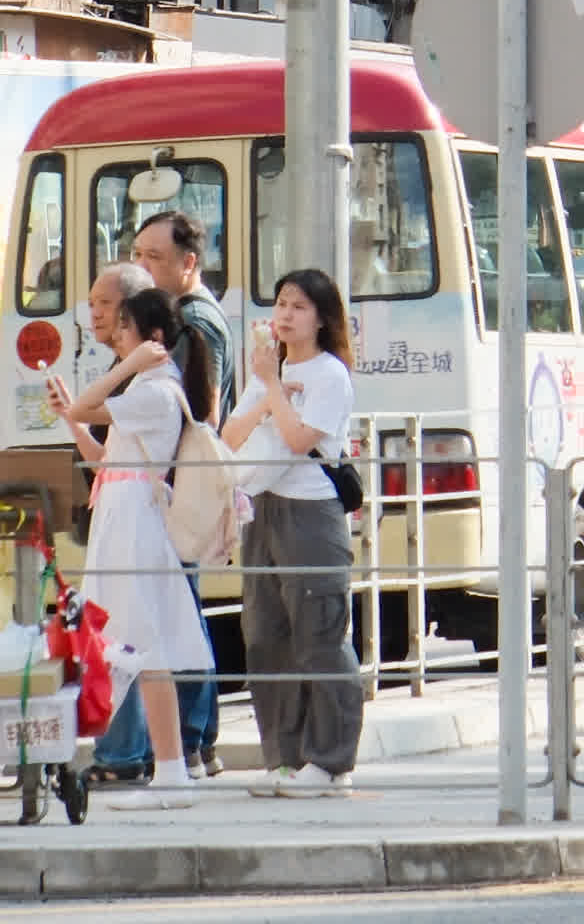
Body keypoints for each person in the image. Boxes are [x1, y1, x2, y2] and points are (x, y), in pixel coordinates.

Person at [49, 271, 215, 809]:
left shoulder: (156, 389)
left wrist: (131, 365)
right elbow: (102, 453)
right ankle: (164, 768)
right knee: (139, 644)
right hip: (123, 511)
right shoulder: (148, 389)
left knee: (144, 642)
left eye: (124, 329)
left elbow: (88, 409)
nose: (116, 337)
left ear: (149, 339)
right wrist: (70, 417)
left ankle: (167, 770)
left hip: (135, 521)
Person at [90, 209, 231, 780]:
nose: (142, 265)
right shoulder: (182, 322)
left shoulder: (192, 327)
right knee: (166, 626)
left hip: (159, 503)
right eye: (139, 254)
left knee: (157, 629)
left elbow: (205, 413)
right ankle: (180, 751)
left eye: (154, 257)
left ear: (188, 262)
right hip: (155, 498)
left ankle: (172, 748)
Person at [221, 266, 363, 796]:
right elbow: (229, 436)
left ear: (323, 319)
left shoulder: (329, 374)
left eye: (299, 306)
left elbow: (300, 438)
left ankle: (330, 762)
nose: (285, 314)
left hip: (311, 511)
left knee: (320, 635)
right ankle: (282, 758)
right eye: (281, 303)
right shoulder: (265, 368)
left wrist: (275, 389)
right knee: (266, 636)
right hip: (261, 507)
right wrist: (266, 388)